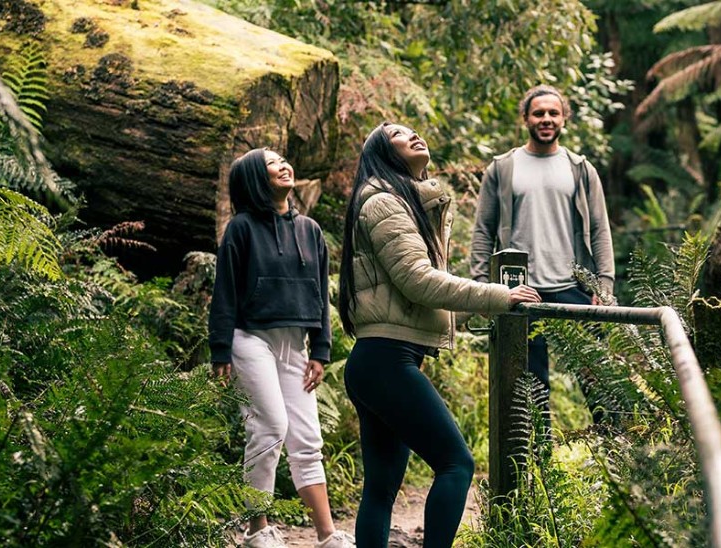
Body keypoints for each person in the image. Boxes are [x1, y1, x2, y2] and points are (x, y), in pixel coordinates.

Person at [338, 122, 542, 548]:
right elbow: (418, 280)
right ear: (381, 151)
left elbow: (416, 296)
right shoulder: (383, 203)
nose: (411, 134)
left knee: (381, 487)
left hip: (381, 360)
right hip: (386, 360)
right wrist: (498, 296)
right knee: (456, 463)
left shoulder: (404, 203)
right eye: (396, 133)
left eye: (413, 130)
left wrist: (478, 310)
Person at [208, 148, 355, 548]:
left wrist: (321, 350)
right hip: (250, 337)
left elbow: (320, 293)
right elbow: (224, 293)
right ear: (256, 178)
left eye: (282, 159)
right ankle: (259, 531)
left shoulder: (310, 229)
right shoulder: (240, 228)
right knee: (269, 429)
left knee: (307, 439)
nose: (283, 165)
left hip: (297, 343)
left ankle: (327, 534)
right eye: (271, 163)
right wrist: (219, 349)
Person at [470, 85, 616, 418]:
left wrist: (603, 286)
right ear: (526, 119)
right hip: (520, 291)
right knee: (530, 391)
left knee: (601, 380)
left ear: (564, 118)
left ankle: (614, 450)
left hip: (573, 287)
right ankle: (536, 461)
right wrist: (481, 287)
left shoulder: (580, 169)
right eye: (539, 113)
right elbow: (483, 231)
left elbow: (600, 230)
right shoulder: (502, 168)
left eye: (553, 113)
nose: (546, 119)